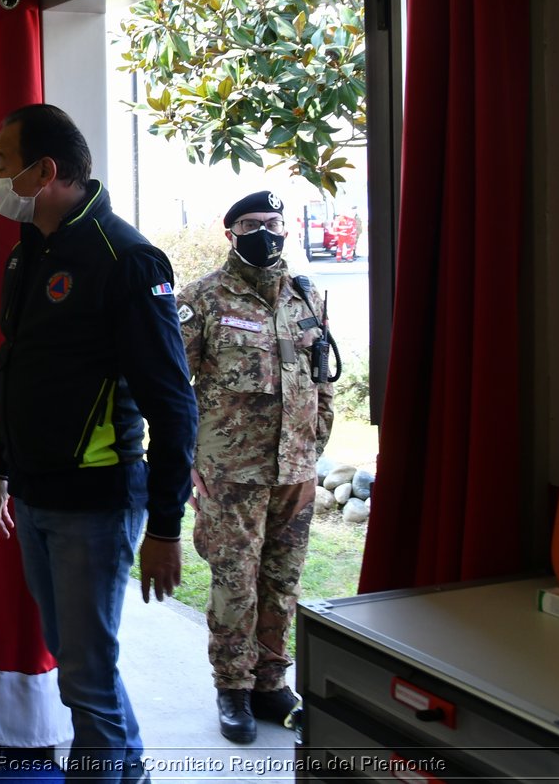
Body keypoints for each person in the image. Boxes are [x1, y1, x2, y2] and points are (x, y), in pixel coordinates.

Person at [0, 104, 197, 784]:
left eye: (2, 161)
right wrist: (1, 471)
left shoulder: (124, 258)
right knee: (75, 659)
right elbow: (22, 369)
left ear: (47, 171)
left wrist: (165, 525)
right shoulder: (28, 253)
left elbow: (173, 402)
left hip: (96, 503)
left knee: (86, 680)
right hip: (37, 494)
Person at [177, 191, 333, 742]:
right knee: (235, 583)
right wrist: (186, 464)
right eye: (251, 223)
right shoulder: (202, 299)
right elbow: (175, 390)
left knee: (281, 581)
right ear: (230, 234)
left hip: (296, 470)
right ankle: (233, 689)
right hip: (230, 473)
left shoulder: (306, 297)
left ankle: (271, 683)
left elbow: (322, 380)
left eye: (273, 222)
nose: (264, 232)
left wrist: (314, 450)